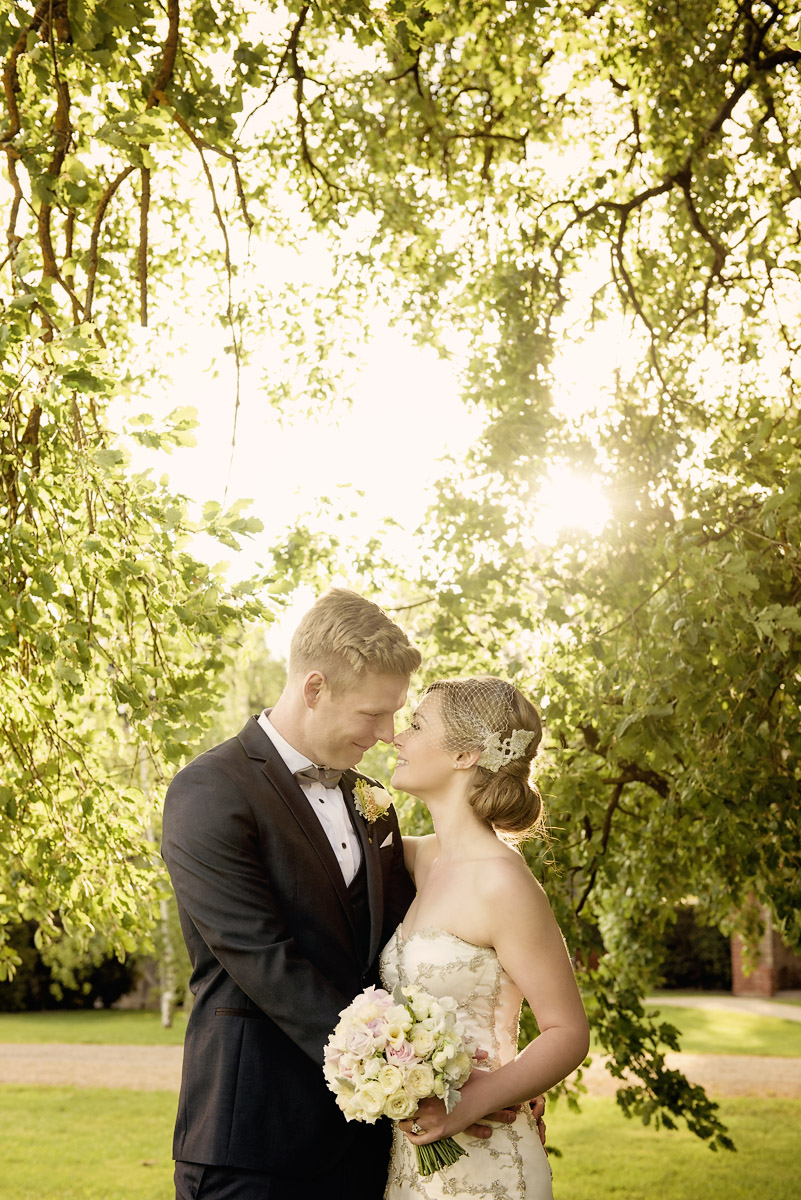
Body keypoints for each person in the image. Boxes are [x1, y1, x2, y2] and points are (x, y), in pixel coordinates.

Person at [162, 590, 540, 1200]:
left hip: (372, 1149)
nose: (390, 734)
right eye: (374, 714)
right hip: (255, 1142)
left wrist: (489, 1081)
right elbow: (264, 960)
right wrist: (413, 1081)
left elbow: (408, 948)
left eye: (399, 716)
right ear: (315, 688)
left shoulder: (374, 803)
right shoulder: (210, 791)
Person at [380, 676, 590, 1200]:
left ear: (466, 754)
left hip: (488, 1163)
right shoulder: (412, 858)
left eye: (415, 725)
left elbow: (567, 1030)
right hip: (408, 1163)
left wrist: (473, 1100)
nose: (396, 739)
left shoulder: (502, 881)